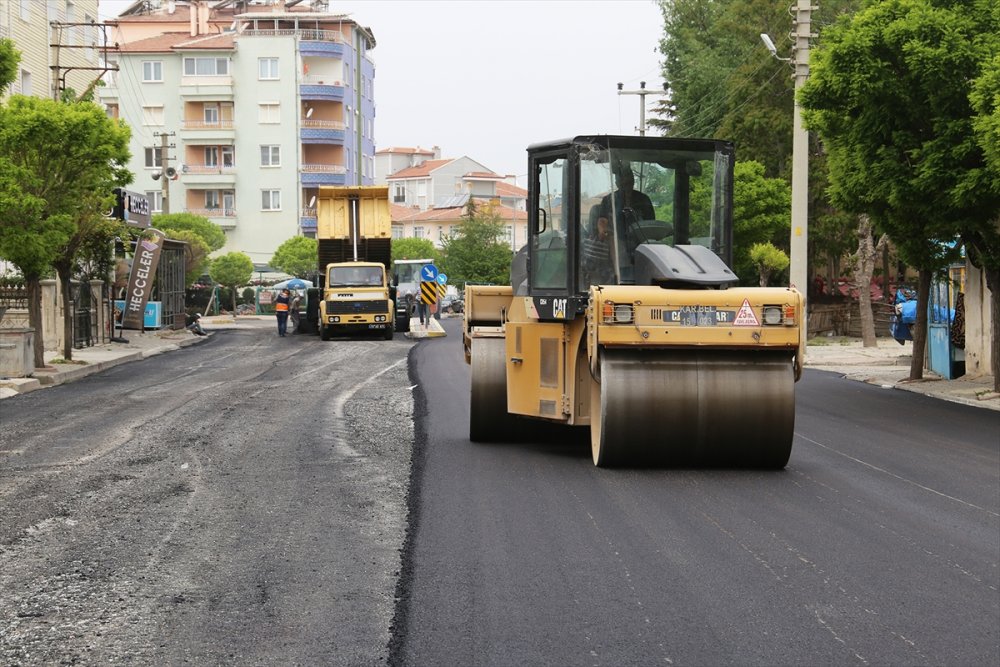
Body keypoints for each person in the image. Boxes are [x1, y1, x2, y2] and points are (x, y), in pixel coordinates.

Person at [581, 215, 615, 285]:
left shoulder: (616, 243)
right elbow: (588, 266)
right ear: (596, 225)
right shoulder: (587, 242)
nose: (604, 226)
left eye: (607, 224)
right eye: (602, 222)